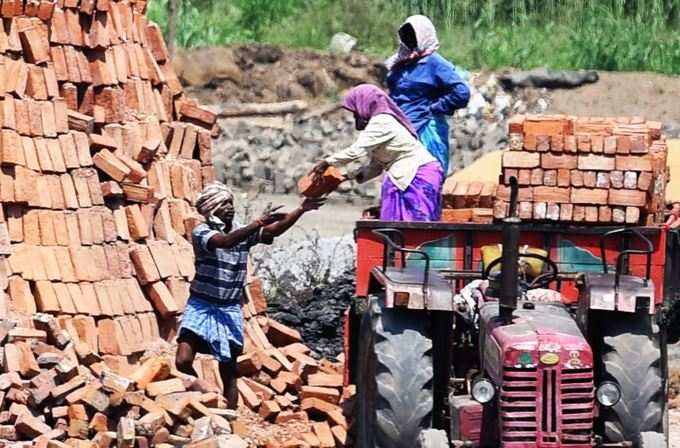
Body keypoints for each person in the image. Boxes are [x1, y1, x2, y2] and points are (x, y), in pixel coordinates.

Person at [175, 182, 324, 409]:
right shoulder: (202, 232)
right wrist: (258, 222)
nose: (229, 208)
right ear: (211, 208)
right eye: (223, 204)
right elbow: (225, 242)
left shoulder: (242, 231)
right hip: (201, 305)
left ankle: (230, 417)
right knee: (183, 360)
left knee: (228, 369)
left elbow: (273, 231)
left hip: (228, 308)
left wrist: (301, 209)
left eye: (231, 203)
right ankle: (205, 395)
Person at [311, 84, 443, 221]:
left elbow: (356, 151)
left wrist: (326, 162)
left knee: (417, 225)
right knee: (403, 228)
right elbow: (375, 167)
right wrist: (343, 177)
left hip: (417, 174)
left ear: (363, 105)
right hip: (409, 174)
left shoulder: (382, 122)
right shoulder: (379, 124)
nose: (355, 116)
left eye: (355, 111)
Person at [386, 15, 470, 174]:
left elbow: (461, 92)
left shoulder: (434, 63)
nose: (410, 40)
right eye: (407, 36)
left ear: (423, 36)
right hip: (400, 131)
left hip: (426, 129)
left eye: (413, 36)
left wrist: (436, 108)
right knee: (401, 181)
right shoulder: (400, 63)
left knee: (427, 179)